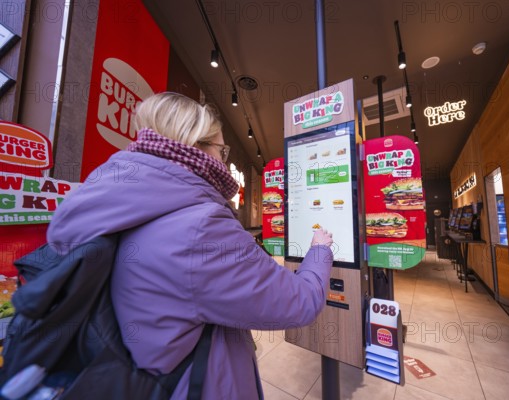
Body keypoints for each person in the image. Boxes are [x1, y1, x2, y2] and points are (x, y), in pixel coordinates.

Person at [47, 92, 334, 399]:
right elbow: (299, 301)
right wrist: (319, 250)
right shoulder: (201, 228)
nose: (223, 162)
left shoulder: (118, 196)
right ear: (195, 145)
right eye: (222, 151)